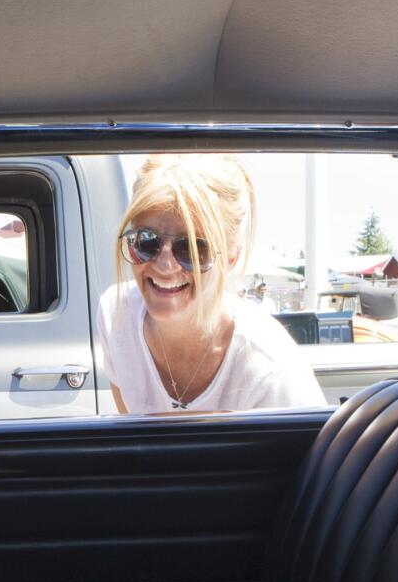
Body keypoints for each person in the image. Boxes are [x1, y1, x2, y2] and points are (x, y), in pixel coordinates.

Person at [97, 154, 324, 414]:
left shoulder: (271, 371)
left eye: (193, 249)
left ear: (231, 258)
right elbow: (134, 445)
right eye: (146, 241)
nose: (164, 265)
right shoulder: (115, 316)